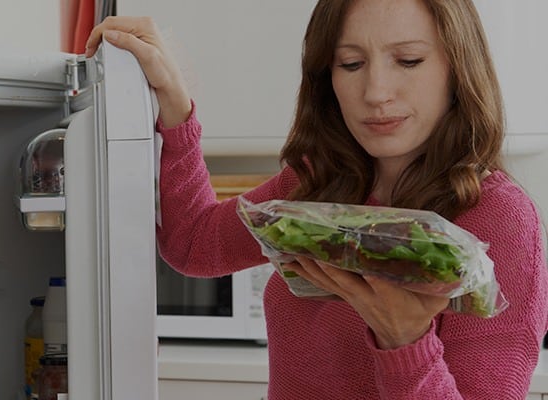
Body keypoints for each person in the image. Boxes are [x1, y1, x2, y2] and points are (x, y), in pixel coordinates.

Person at [85, 1, 548, 399]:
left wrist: (405, 340)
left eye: (408, 60)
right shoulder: (319, 181)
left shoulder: (497, 218)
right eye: (350, 64)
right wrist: (174, 101)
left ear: (458, 68)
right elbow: (195, 244)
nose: (376, 93)